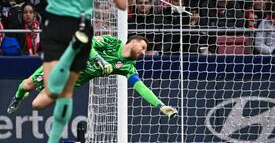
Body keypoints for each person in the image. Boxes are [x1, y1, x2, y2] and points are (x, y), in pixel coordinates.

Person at [3, 0, 127, 143]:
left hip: (58, 26)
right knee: (66, 93)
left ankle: (69, 52)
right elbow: (122, 3)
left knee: (52, 90)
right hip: (83, 27)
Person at [7, 35, 178, 116]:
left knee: (37, 105)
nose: (143, 52)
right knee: (26, 86)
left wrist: (160, 105)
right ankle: (18, 97)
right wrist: (99, 60)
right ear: (132, 42)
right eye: (143, 47)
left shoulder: (128, 67)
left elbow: (141, 87)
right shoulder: (111, 42)